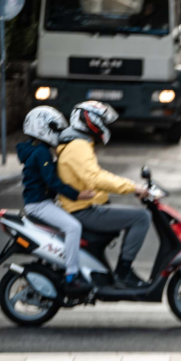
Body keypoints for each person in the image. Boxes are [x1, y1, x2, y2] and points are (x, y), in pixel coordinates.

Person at [55, 101, 150, 289]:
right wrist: (133, 187)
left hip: (81, 207)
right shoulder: (78, 146)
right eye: (103, 122)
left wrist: (128, 189)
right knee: (141, 217)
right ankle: (124, 272)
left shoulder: (77, 144)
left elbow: (90, 179)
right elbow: (95, 178)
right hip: (82, 210)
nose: (105, 126)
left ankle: (109, 274)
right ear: (90, 121)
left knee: (127, 213)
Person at [18, 106, 96, 294]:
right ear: (43, 127)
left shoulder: (35, 149)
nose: (59, 134)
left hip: (38, 202)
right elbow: (52, 181)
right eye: (56, 129)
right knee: (73, 227)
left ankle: (63, 265)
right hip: (39, 204)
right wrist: (77, 195)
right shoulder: (42, 152)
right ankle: (71, 275)